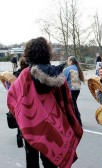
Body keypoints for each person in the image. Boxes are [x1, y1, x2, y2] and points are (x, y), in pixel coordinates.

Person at [7, 37, 83, 168]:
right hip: (53, 128)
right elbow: (69, 103)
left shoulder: (24, 75)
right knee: (51, 163)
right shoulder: (58, 75)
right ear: (47, 53)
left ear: (29, 54)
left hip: (30, 127)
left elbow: (13, 99)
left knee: (31, 161)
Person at [63, 56, 85, 126]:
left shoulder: (67, 69)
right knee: (73, 103)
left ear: (71, 61)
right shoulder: (78, 68)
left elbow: (63, 80)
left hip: (71, 89)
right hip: (77, 89)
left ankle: (78, 121)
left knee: (72, 105)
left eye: (68, 61)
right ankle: (73, 119)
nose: (67, 62)